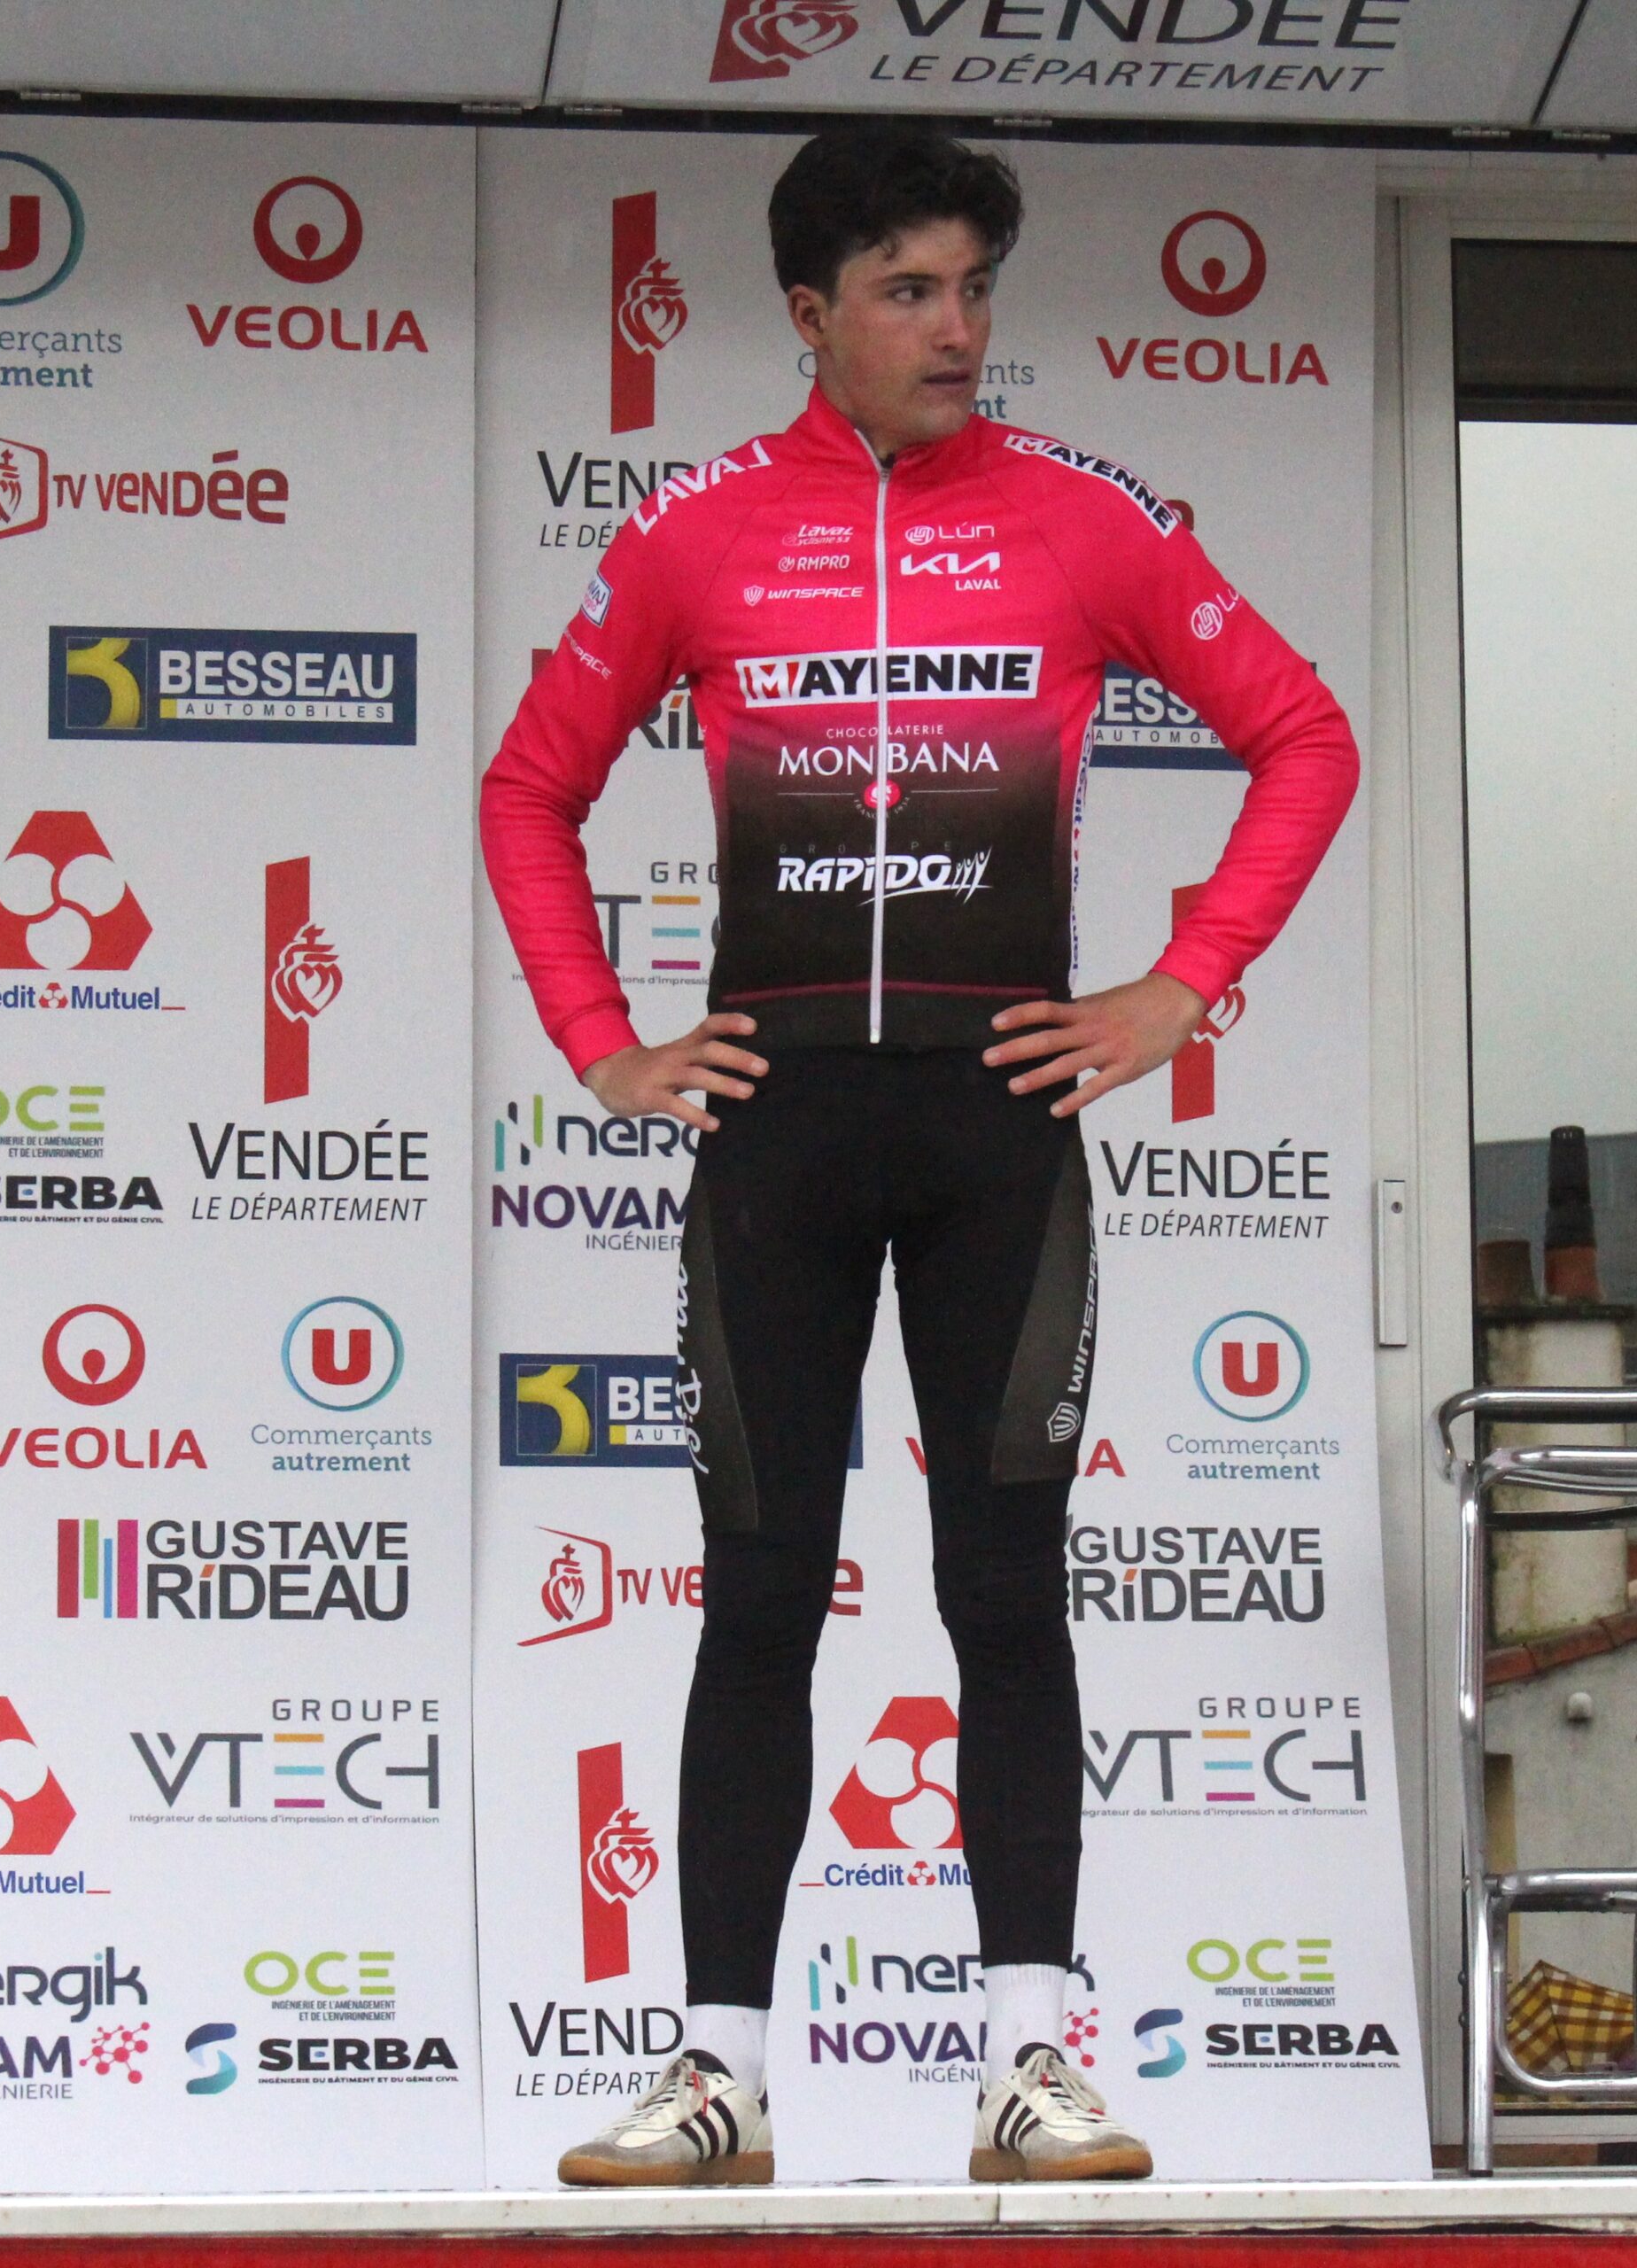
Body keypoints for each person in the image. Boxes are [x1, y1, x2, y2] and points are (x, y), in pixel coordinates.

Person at [479, 125, 1358, 2187]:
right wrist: (600, 1042)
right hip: (776, 1128)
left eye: (972, 287)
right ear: (811, 315)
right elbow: (529, 785)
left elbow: (1304, 733)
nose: (956, 327)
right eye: (907, 290)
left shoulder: (1082, 518)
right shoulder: (697, 532)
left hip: (996, 1123)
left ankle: (1028, 2061)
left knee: (1006, 1591)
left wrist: (1184, 986)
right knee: (759, 1592)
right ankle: (717, 2071)